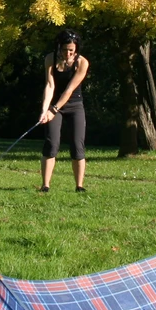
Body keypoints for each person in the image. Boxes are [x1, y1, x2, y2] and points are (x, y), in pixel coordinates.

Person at [37, 29, 90, 193]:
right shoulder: (50, 59)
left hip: (74, 106)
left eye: (71, 50)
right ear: (59, 47)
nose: (68, 53)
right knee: (51, 144)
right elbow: (50, 85)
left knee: (77, 146)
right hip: (55, 106)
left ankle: (79, 186)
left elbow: (69, 90)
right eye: (65, 50)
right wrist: (44, 110)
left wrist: (53, 110)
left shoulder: (82, 63)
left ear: (76, 49)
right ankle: (45, 185)